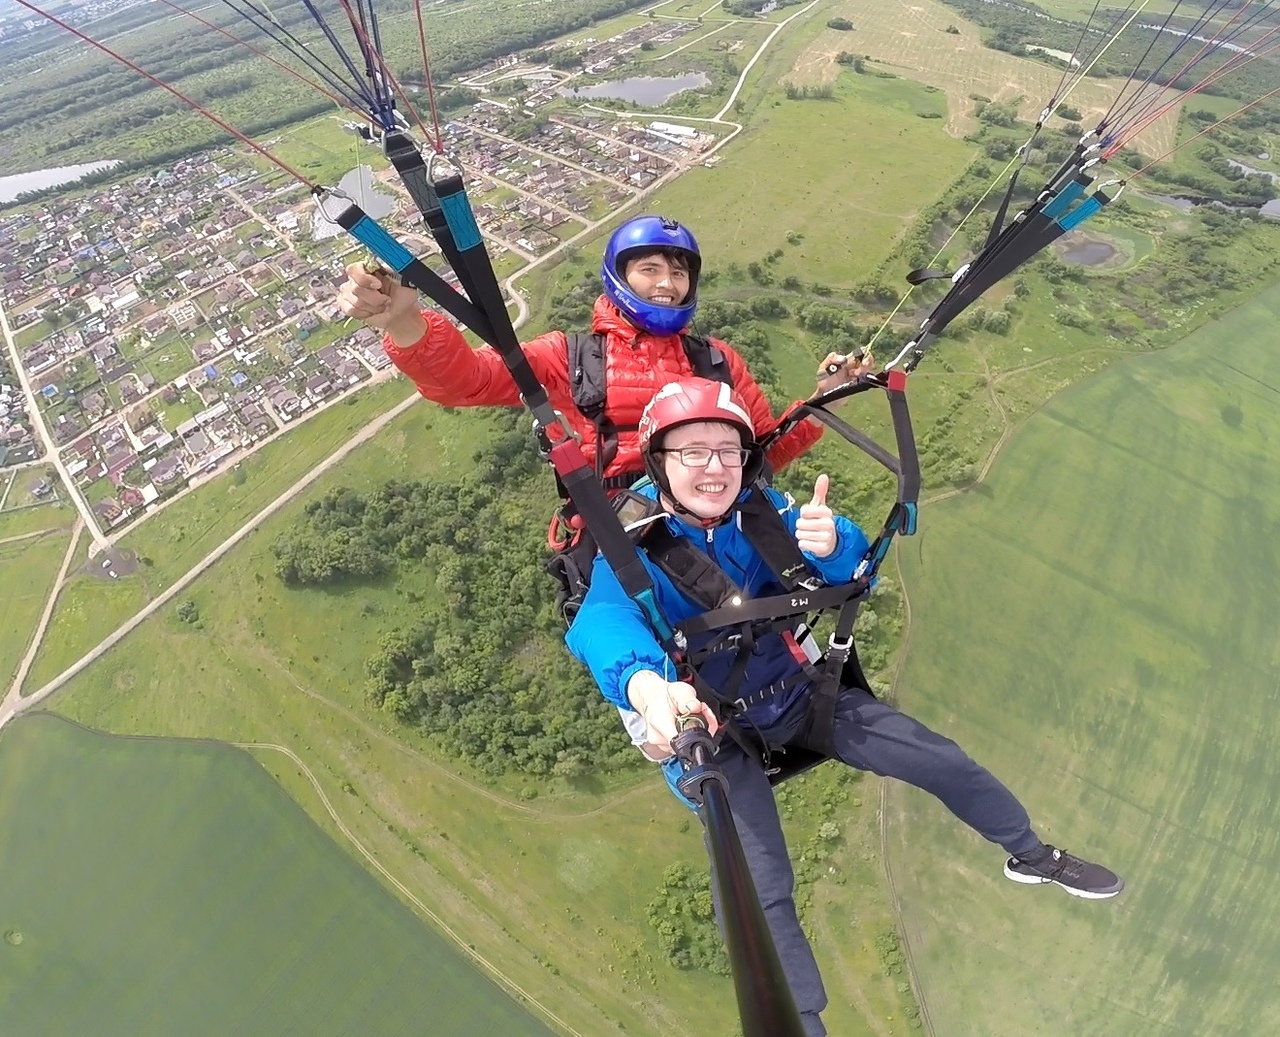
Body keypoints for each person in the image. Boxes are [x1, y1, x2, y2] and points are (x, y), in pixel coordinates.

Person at [565, 377, 1124, 1037]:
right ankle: (801, 1023)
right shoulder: (633, 552)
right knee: (758, 883)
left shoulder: (764, 512)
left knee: (942, 759)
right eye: (693, 452)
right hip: (709, 730)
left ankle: (1031, 854)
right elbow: (604, 622)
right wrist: (647, 687)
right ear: (660, 462)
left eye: (728, 450)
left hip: (800, 698)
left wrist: (835, 545)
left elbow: (847, 568)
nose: (714, 467)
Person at [336, 214, 865, 487]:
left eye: (678, 271)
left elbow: (763, 454)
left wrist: (827, 400)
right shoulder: (570, 358)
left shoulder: (719, 361)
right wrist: (404, 321)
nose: (668, 283)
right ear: (621, 278)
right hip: (629, 537)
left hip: (723, 514)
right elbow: (467, 381)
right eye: (650, 269)